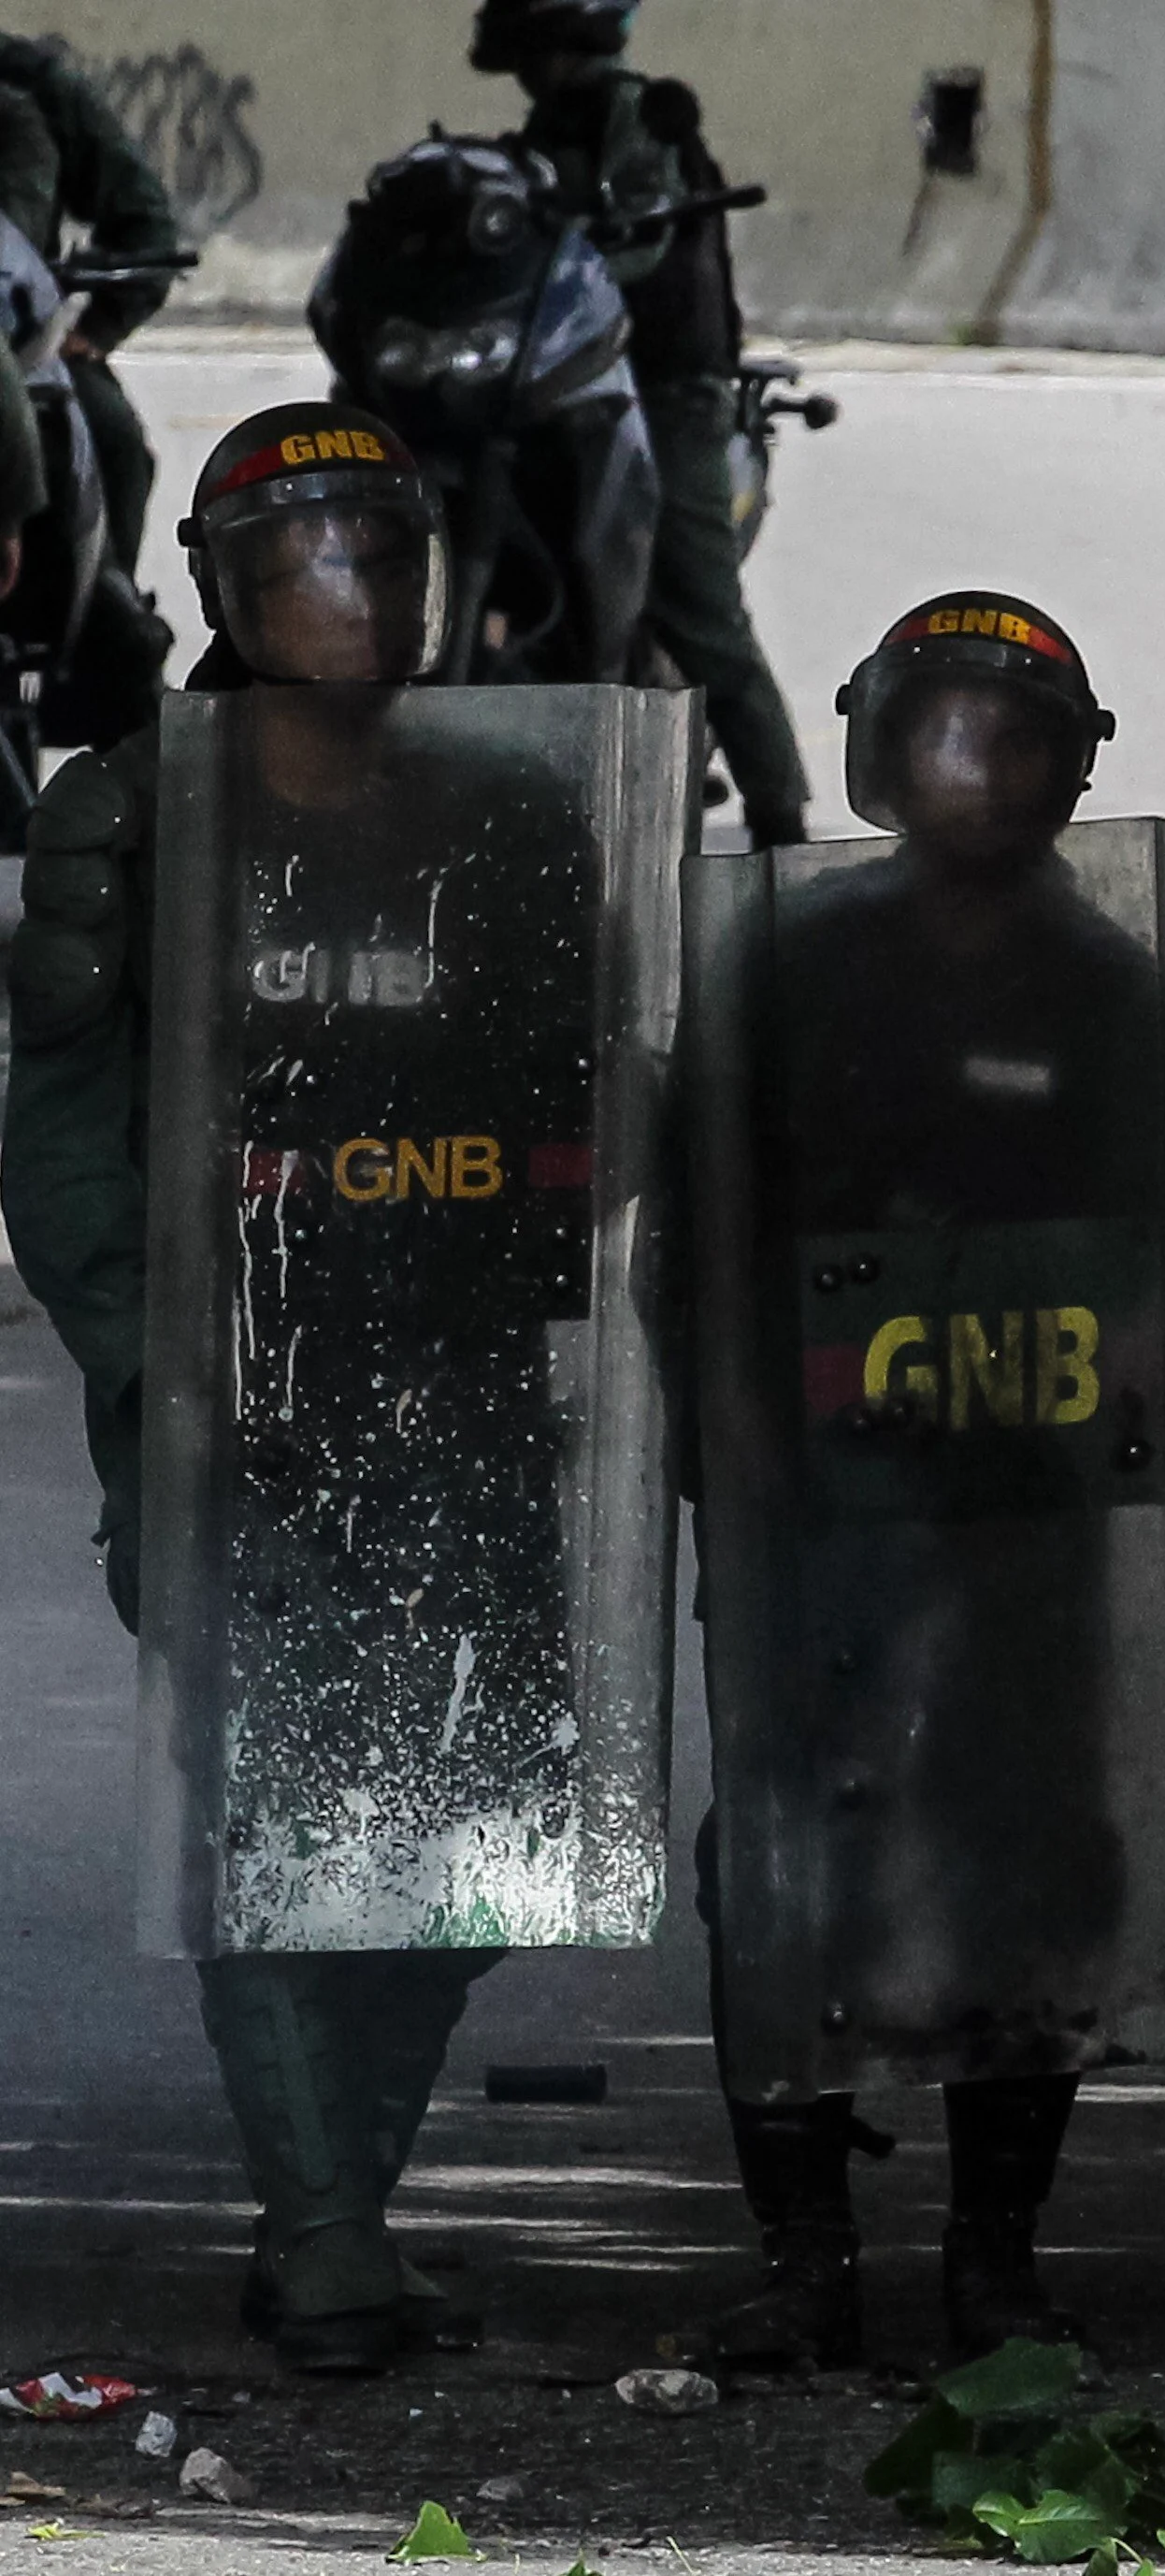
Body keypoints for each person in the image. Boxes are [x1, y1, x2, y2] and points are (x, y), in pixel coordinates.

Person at [6, 405, 508, 2376]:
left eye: (382, 557)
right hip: (232, 1406)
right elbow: (60, 1148)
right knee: (277, 1817)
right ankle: (324, 2238)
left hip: (457, 1391)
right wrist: (167, 1377)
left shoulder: (494, 807)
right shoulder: (131, 815)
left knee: (467, 1835)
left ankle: (341, 2200)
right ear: (219, 590)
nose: (353, 599)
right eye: (304, 564)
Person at [699, 592, 1165, 2370]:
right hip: (812, 1493)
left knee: (1026, 1840)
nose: (978, 764)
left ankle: (995, 2252)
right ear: (879, 756)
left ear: (1073, 770)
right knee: (784, 1842)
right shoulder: (789, 964)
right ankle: (803, 2248)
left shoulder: (1113, 991)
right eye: (943, 726)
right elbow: (712, 1230)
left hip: (1031, 1500)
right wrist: (736, 1456)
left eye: (1019, 732)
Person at [476, 0, 810, 845]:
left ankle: (780, 822)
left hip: (663, 391)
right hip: (569, 386)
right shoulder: (540, 136)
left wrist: (577, 242)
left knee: (700, 609)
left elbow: (633, 240)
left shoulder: (643, 117)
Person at [0, 33, 190, 730]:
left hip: (18, 340)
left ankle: (93, 635)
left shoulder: (26, 95)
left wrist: (96, 330)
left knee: (107, 439)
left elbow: (147, 224)